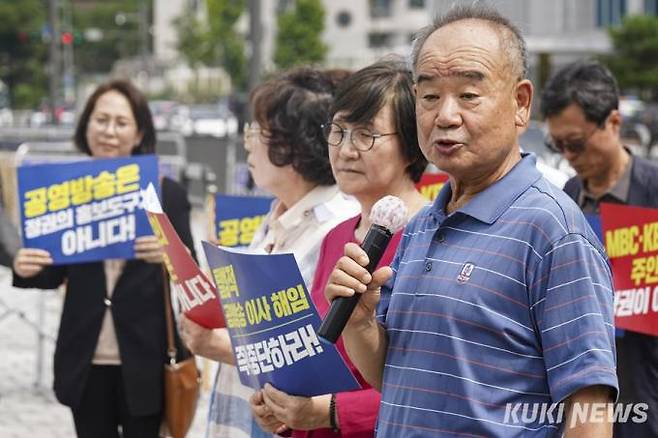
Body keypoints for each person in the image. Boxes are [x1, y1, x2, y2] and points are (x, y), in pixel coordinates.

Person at [325, 5, 619, 437]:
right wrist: (360, 321)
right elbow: (396, 378)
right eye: (429, 97)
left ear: (520, 103)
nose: (445, 115)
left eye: (468, 95)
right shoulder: (423, 224)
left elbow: (589, 410)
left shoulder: (554, 232)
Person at [249, 59, 428, 437]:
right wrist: (282, 405)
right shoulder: (339, 234)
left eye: (366, 135)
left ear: (413, 146)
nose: (346, 150)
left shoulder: (432, 237)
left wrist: (329, 411)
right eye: (338, 132)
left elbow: (432, 388)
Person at [179, 68, 359, 438]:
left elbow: (309, 356)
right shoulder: (276, 214)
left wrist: (216, 345)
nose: (249, 144)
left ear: (292, 146)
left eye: (258, 132)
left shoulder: (337, 230)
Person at [12, 80, 195, 437]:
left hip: (146, 358)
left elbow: (191, 278)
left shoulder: (165, 193)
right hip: (85, 356)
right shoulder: (66, 192)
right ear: (86, 126)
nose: (109, 131)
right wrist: (25, 266)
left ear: (139, 131)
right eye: (101, 120)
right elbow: (51, 273)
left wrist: (172, 255)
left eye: (121, 122)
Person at [541, 60, 658, 438]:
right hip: (584, 396)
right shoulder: (567, 199)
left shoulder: (653, 192)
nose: (568, 155)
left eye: (575, 143)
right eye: (556, 145)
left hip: (646, 388)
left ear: (613, 123)